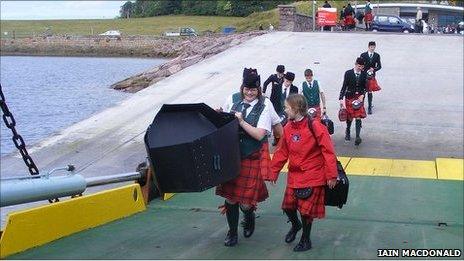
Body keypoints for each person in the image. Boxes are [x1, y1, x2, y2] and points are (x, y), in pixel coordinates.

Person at [267, 94, 338, 252]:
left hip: (313, 175)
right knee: (288, 207)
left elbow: (328, 151)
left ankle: (306, 240)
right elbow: (282, 152)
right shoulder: (288, 128)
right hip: (295, 175)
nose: (285, 110)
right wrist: (273, 172)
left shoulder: (316, 126)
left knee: (306, 212)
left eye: (287, 107)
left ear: (296, 108)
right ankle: (295, 225)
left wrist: (332, 175)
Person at [216, 68, 273, 247]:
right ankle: (232, 233)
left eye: (253, 90)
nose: (249, 93)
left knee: (246, 202)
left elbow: (259, 134)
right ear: (242, 87)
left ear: (258, 90)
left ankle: (249, 215)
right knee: (231, 198)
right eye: (246, 89)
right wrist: (217, 114)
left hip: (250, 156)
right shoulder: (232, 99)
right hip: (231, 156)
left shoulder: (265, 105)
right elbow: (221, 122)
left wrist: (241, 122)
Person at [339, 57, 367, 146]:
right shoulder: (348, 73)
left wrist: (363, 95)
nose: (361, 68)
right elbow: (344, 86)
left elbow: (365, 87)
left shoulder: (364, 74)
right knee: (350, 117)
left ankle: (358, 136)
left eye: (362, 66)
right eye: (359, 66)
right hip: (349, 97)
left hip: (359, 98)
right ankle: (348, 130)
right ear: (355, 64)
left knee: (358, 116)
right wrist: (340, 98)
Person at [360, 41, 381, 114]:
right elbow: (360, 65)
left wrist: (374, 69)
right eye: (371, 47)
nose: (372, 48)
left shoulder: (377, 55)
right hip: (363, 75)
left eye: (373, 47)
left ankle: (369, 106)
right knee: (362, 91)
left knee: (369, 91)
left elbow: (379, 66)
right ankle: (361, 106)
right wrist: (363, 70)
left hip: (371, 76)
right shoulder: (363, 55)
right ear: (368, 47)